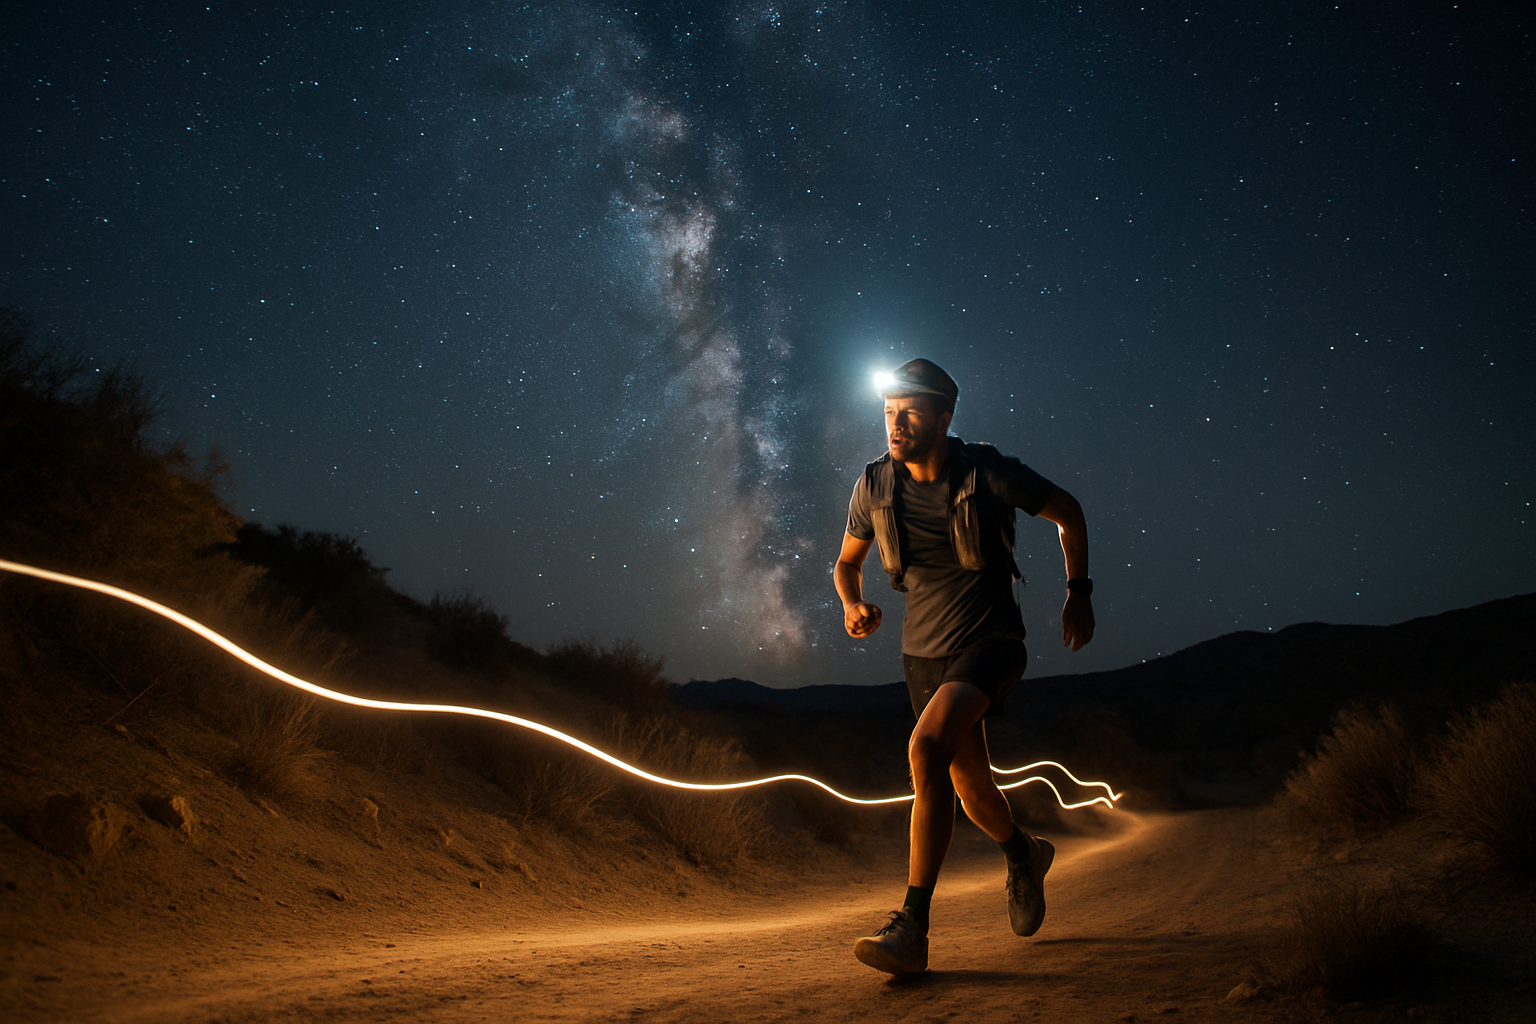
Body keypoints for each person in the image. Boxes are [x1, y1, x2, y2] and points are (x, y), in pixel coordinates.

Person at [834, 357, 1096, 975]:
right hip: (922, 655)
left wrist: (1078, 591)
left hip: (991, 641)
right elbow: (846, 564)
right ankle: (1024, 853)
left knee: (924, 750)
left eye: (911, 413)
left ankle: (912, 925)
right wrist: (853, 605)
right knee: (971, 787)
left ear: (945, 418)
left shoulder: (989, 471)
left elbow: (1070, 513)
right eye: (889, 412)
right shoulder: (873, 485)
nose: (895, 424)